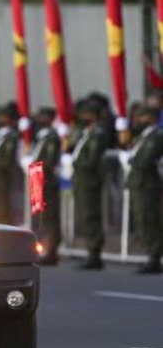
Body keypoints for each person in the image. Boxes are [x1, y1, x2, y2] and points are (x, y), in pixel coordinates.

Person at [125, 106, 163, 274]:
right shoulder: (144, 136)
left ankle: (154, 257)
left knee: (149, 220)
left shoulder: (157, 136)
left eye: (142, 116)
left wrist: (132, 160)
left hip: (148, 184)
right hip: (139, 183)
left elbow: (146, 159)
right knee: (142, 220)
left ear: (152, 118)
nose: (138, 120)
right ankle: (150, 254)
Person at [72, 101, 108, 270]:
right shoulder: (86, 134)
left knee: (91, 216)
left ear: (92, 116)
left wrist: (76, 162)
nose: (81, 118)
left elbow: (91, 160)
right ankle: (90, 251)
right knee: (85, 216)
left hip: (89, 181)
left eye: (84, 114)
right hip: (81, 181)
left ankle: (94, 254)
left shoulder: (97, 135)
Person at [30, 107, 62, 265]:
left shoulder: (51, 137)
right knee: (39, 215)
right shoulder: (41, 136)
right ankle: (41, 247)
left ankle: (50, 249)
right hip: (38, 180)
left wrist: (37, 165)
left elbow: (48, 161)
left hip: (46, 180)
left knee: (49, 216)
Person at [0, 103, 21, 225]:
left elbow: (7, 158)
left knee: (2, 202)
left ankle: (4, 223)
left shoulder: (11, 136)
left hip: (3, 174)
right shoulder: (1, 134)